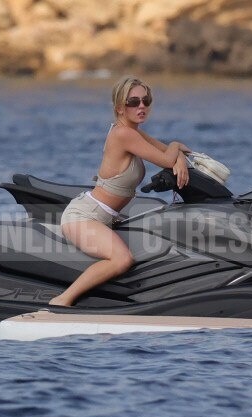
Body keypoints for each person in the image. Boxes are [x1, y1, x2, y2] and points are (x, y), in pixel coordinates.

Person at [49, 76, 191, 307]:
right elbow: (168, 157)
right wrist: (176, 146)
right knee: (122, 259)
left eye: (146, 100)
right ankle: (62, 300)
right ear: (119, 108)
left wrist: (179, 157)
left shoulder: (132, 131)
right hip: (85, 216)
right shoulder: (124, 134)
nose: (141, 106)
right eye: (133, 102)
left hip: (103, 216)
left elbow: (167, 153)